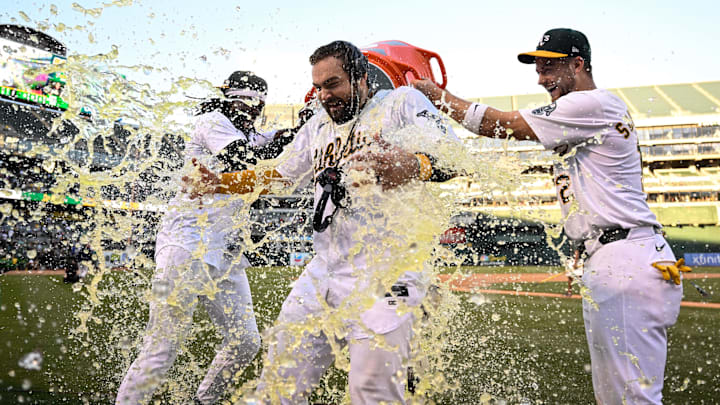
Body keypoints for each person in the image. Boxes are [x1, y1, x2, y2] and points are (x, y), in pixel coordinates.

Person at [412, 28, 688, 404]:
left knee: (633, 398)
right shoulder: (586, 112)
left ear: (578, 64)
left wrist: (435, 96)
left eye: (549, 68)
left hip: (626, 258)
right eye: (538, 70)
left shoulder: (590, 103)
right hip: (614, 254)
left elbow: (500, 125)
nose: (541, 79)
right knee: (616, 397)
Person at [189, 40, 460, 404]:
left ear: (362, 78)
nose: (323, 95)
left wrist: (415, 165)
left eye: (332, 84)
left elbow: (455, 158)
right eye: (318, 87)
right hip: (324, 270)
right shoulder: (317, 125)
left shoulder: (402, 103)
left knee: (372, 391)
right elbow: (277, 177)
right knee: (277, 386)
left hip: (388, 270)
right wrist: (217, 183)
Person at [116, 71, 308, 405]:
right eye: (244, 102)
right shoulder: (212, 122)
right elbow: (243, 160)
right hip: (184, 249)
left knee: (246, 342)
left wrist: (304, 128)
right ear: (228, 98)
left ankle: (203, 400)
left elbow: (277, 143)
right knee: (162, 345)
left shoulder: (247, 133)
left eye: (256, 105)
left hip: (226, 254)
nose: (250, 110)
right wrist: (290, 137)